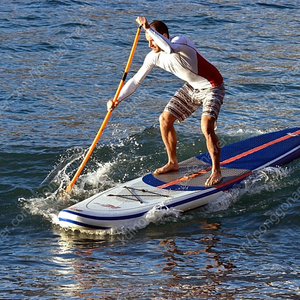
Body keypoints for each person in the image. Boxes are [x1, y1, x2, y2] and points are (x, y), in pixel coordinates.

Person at [107, 16, 225, 186]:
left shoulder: (181, 42)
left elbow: (168, 48)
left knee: (206, 126)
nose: (149, 45)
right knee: (164, 119)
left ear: (163, 35)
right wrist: (116, 100)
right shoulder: (153, 57)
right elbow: (135, 81)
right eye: (147, 41)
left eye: (152, 40)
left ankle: (216, 171)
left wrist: (148, 28)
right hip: (192, 87)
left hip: (213, 86)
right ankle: (172, 162)